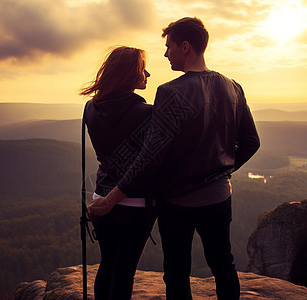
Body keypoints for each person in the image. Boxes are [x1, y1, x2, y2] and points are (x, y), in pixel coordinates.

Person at [89, 17, 260, 299]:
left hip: (176, 201)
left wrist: (111, 198)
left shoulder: (170, 92)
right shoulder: (233, 87)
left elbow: (150, 158)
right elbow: (251, 142)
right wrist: (221, 172)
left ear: (185, 47)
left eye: (168, 47)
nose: (166, 53)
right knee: (223, 264)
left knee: (177, 272)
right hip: (219, 198)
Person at [80, 46, 155, 300]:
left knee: (108, 265)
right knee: (124, 273)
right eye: (142, 68)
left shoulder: (90, 108)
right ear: (129, 74)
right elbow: (148, 163)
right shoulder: (147, 114)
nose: (147, 73)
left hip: (100, 198)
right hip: (135, 203)